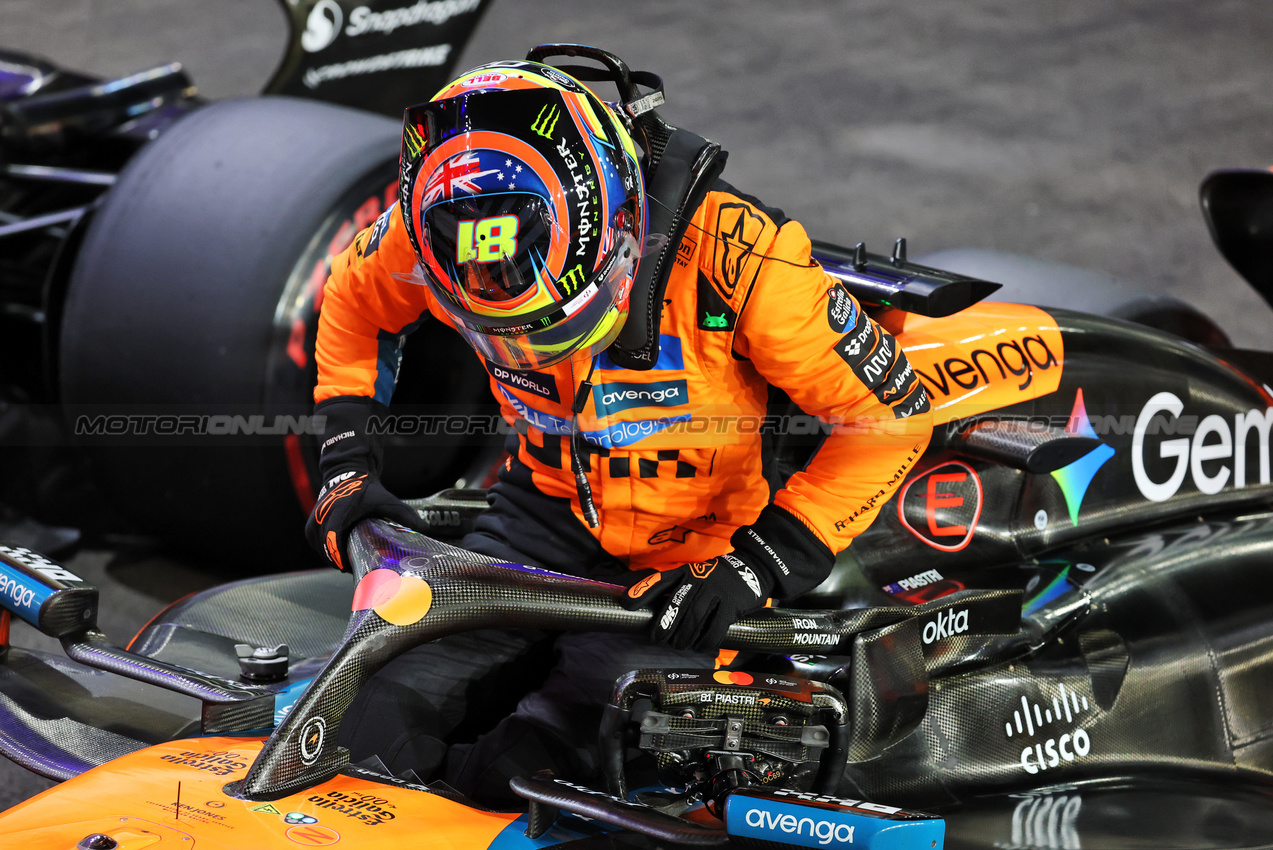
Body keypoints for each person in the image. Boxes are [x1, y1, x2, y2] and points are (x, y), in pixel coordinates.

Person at [304, 48, 933, 806]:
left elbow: (894, 416)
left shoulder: (747, 259)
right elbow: (351, 298)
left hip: (695, 560)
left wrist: (760, 564)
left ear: (612, 220)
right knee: (363, 717)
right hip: (539, 520)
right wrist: (345, 458)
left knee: (542, 775)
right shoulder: (433, 227)